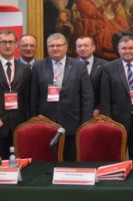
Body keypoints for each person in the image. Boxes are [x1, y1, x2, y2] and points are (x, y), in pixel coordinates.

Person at [30, 33, 93, 161]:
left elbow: (87, 96)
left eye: (59, 45)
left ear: (66, 46)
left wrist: (85, 123)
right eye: (51, 46)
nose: (55, 48)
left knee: (70, 161)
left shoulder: (79, 66)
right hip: (45, 121)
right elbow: (33, 96)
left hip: (72, 122)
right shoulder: (38, 66)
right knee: (47, 160)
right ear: (47, 47)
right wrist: (34, 118)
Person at [101, 35, 133, 161]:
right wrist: (109, 122)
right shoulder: (109, 68)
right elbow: (105, 97)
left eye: (130, 48)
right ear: (118, 50)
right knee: (116, 157)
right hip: (117, 120)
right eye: (124, 48)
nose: (127, 51)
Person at [76, 36, 105, 117]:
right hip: (75, 113)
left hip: (97, 113)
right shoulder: (70, 66)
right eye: (79, 46)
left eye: (86, 45)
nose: (82, 48)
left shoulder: (105, 65)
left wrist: (98, 108)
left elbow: (107, 91)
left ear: (93, 47)